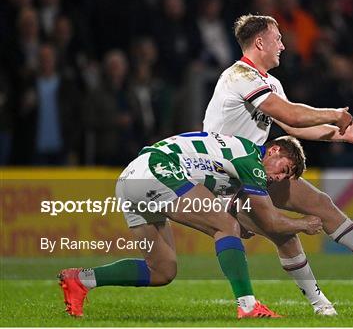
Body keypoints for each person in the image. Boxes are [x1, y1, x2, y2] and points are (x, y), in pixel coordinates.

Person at [203, 14, 353, 315]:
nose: (283, 45)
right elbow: (293, 115)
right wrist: (334, 114)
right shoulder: (239, 76)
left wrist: (341, 135)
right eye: (277, 38)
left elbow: (294, 127)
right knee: (285, 234)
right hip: (225, 178)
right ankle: (321, 306)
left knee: (321, 203)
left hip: (252, 169)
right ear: (259, 42)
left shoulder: (268, 82)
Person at [58, 132, 323, 318]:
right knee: (226, 227)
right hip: (157, 169)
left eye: (284, 176)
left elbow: (226, 205)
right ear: (274, 150)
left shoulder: (233, 159)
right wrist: (304, 223)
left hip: (130, 179)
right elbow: (270, 221)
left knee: (161, 270)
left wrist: (237, 224)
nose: (278, 177)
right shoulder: (251, 158)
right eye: (283, 169)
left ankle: (81, 279)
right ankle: (248, 305)